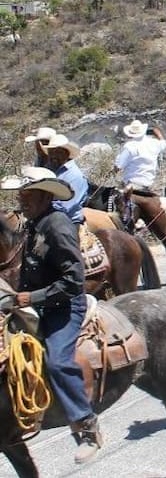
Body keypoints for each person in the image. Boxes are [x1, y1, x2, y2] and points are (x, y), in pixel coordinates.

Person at [0, 166, 102, 463]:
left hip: (64, 307)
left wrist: (33, 297)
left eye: (26, 195)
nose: (21, 201)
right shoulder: (34, 224)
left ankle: (87, 426)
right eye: (20, 195)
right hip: (37, 305)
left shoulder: (57, 224)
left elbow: (74, 280)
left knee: (57, 361)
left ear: (44, 195)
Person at [42, 134, 88, 226]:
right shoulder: (50, 171)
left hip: (68, 222)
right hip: (48, 217)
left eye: (58, 152)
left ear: (67, 154)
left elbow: (66, 207)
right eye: (51, 151)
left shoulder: (75, 175)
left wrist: (40, 206)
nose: (54, 155)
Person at [114, 119, 166, 191]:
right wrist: (158, 133)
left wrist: (114, 170)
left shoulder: (129, 146)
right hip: (149, 184)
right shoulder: (155, 143)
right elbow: (163, 144)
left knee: (112, 197)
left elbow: (119, 166)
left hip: (132, 184)